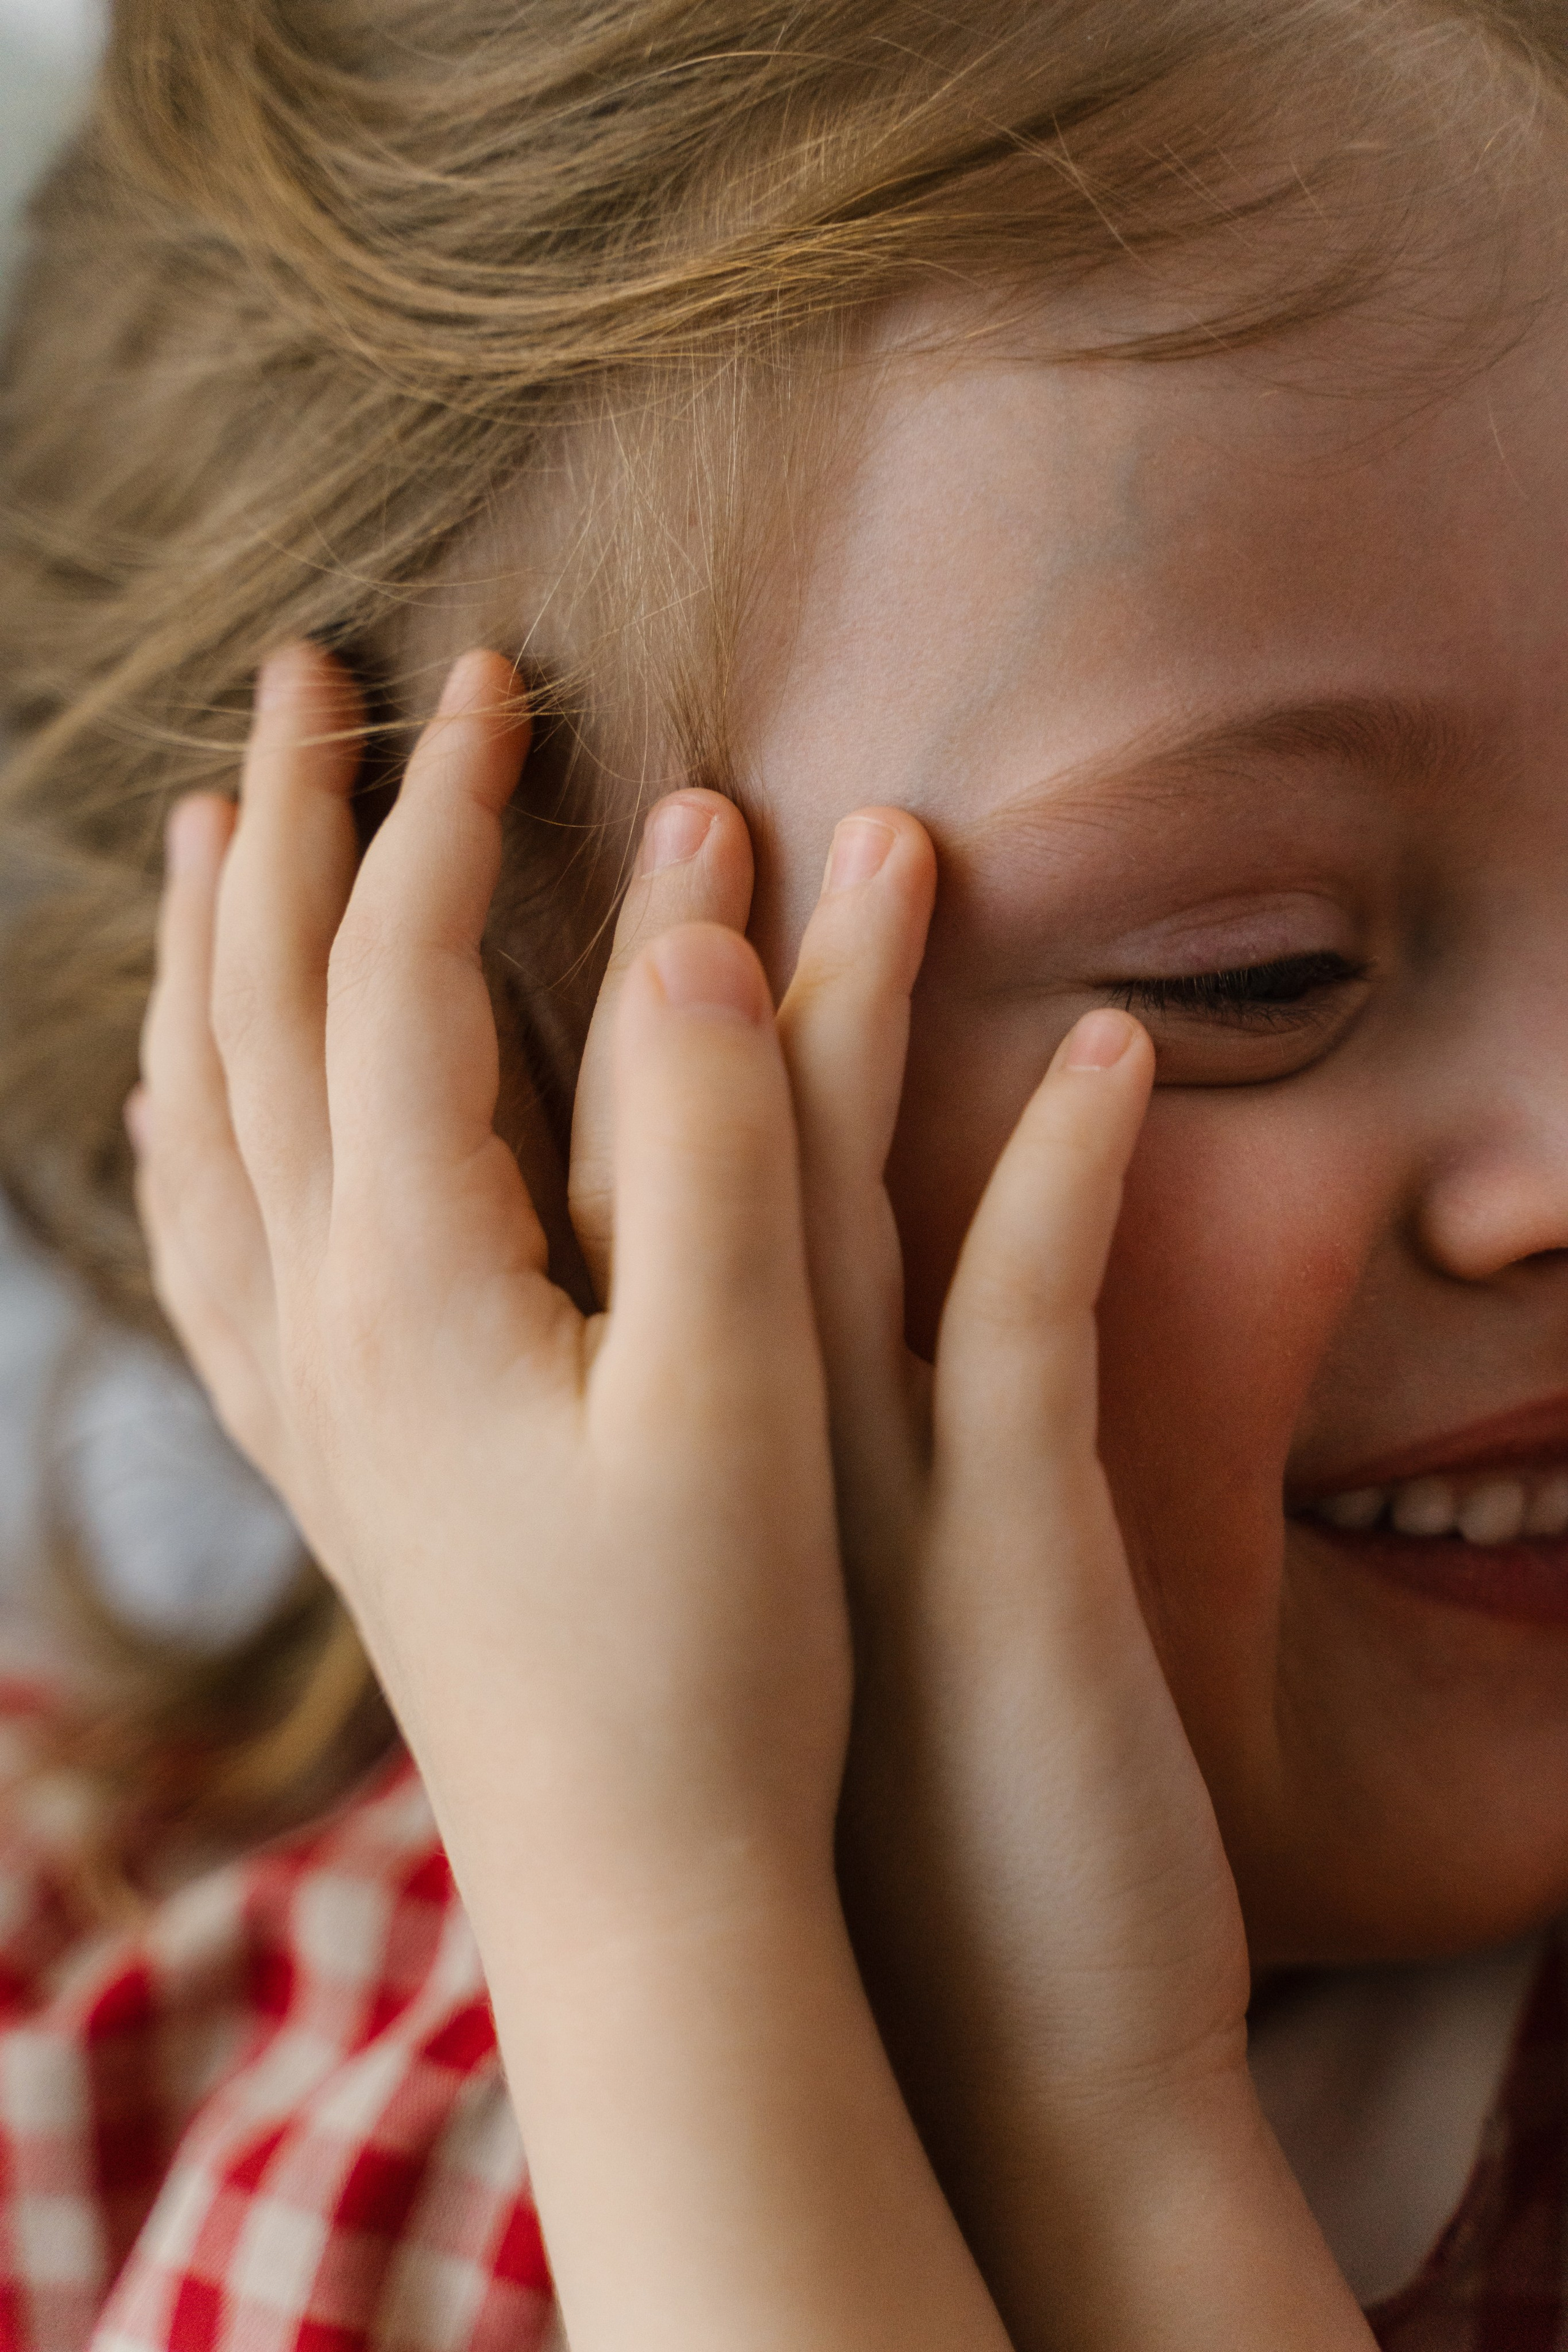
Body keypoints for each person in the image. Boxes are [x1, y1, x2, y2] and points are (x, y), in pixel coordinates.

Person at [1, 0, 1566, 2344]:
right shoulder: (103, 2032)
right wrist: (675, 1902)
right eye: (1262, 972)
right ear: (430, 1153)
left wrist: (1096, 2120)